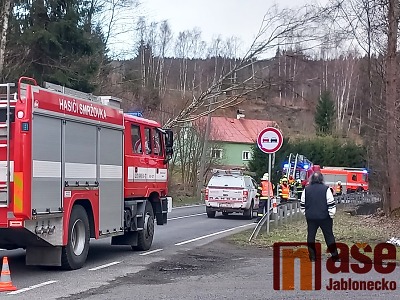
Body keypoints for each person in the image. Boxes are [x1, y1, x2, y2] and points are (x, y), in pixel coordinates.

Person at [300, 172, 339, 262]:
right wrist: (331, 215)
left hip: (311, 217)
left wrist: (306, 214)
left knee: (311, 236)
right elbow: (331, 204)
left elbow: (302, 204)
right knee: (329, 236)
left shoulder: (306, 189)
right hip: (325, 217)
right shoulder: (326, 189)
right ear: (322, 179)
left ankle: (312, 257)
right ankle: (335, 256)